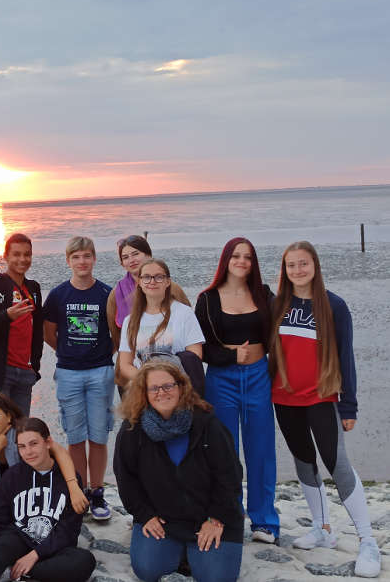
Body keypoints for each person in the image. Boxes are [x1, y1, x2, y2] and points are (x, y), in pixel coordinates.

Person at [270, 241, 379, 577]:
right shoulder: (277, 304)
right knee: (303, 461)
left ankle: (367, 540)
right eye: (291, 265)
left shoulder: (334, 305)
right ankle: (322, 529)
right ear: (284, 270)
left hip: (322, 397)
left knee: (337, 464)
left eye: (303, 264)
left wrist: (350, 406)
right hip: (284, 398)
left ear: (315, 266)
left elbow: (346, 357)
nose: (297, 271)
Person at [113, 360, 245, 582]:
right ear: (143, 393)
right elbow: (126, 480)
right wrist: (145, 516)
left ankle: (192, 552)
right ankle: (181, 550)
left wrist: (216, 518)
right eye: (154, 388)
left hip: (212, 516)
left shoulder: (208, 425)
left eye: (168, 386)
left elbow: (230, 477)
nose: (161, 392)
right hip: (165, 519)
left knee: (215, 578)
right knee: (149, 569)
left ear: (181, 387)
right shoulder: (131, 431)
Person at [195, 237, 280, 544]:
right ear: (226, 260)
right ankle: (230, 517)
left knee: (261, 450)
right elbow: (199, 349)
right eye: (236, 256)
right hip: (222, 379)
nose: (242, 261)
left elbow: (280, 336)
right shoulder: (207, 299)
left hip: (258, 377)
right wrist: (231, 356)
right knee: (224, 452)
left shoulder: (265, 295)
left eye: (247, 257)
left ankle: (265, 521)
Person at [0, 417, 98, 582]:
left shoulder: (69, 478)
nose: (28, 452)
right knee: (0, 546)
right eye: (22, 447)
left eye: (34, 444)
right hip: (20, 539)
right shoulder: (13, 476)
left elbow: (69, 530)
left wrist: (35, 555)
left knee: (84, 561)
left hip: (55, 548)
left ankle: (14, 573)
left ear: (48, 442)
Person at [42, 236, 114, 521]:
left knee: (97, 435)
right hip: (69, 373)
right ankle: (80, 490)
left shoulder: (106, 294)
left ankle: (97, 492)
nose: (82, 262)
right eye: (76, 257)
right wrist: (67, 352)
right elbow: (49, 332)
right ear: (68, 261)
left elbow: (116, 333)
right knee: (75, 436)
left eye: (86, 256)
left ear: (94, 259)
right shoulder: (59, 295)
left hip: (100, 372)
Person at [0, 390, 87, 524]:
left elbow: (59, 451)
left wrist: (73, 486)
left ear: (8, 416)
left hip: (25, 492)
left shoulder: (21, 429)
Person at [0, 233, 44, 416]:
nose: (22, 259)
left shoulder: (34, 288)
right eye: (17, 254)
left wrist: (35, 366)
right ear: (5, 256)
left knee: (22, 435)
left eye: (27, 254)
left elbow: (38, 331)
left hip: (25, 373)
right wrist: (6, 316)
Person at [106, 234, 191, 379]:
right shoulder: (116, 294)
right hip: (131, 372)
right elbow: (116, 335)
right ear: (122, 263)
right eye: (125, 257)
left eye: (136, 254)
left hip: (172, 369)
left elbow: (188, 326)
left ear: (149, 255)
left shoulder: (172, 289)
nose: (131, 260)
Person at [117, 258, 204, 385]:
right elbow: (125, 365)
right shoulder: (130, 321)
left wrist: (168, 379)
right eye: (146, 277)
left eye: (159, 277)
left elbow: (195, 355)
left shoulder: (184, 313)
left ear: (168, 282)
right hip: (145, 388)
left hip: (178, 386)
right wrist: (149, 380)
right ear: (140, 282)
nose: (152, 281)